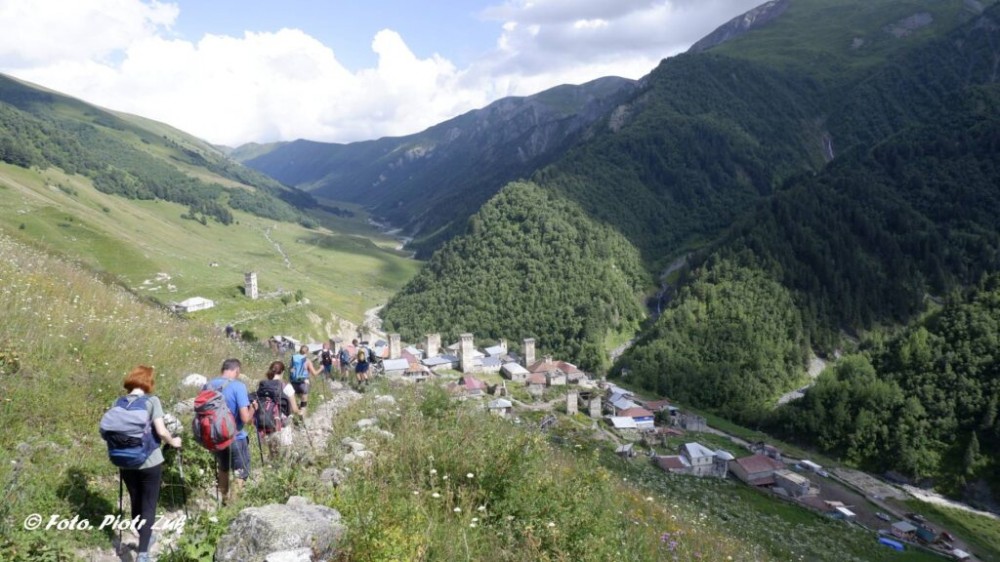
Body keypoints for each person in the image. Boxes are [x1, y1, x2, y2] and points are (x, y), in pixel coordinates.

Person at [117, 366, 182, 562]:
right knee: (149, 505)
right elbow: (161, 431)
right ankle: (143, 554)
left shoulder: (118, 402)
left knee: (136, 500)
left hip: (126, 460)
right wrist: (173, 442)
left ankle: (144, 535)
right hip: (150, 461)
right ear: (148, 383)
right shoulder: (152, 401)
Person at [206, 358, 256, 505]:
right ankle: (233, 505)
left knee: (223, 469)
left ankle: (224, 501)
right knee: (240, 471)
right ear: (237, 370)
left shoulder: (208, 385)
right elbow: (245, 418)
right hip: (236, 437)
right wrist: (253, 408)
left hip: (216, 437)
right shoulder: (238, 386)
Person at [256, 361, 300, 459]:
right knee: (285, 455)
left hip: (265, 425)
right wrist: (299, 413)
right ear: (283, 372)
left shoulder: (262, 386)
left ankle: (272, 470)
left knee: (272, 454)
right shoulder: (286, 387)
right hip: (282, 426)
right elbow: (295, 409)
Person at [289, 345, 321, 411]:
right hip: (303, 383)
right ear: (307, 352)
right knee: (303, 404)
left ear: (300, 350)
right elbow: (314, 373)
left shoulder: (294, 358)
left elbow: (291, 369)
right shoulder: (307, 361)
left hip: (293, 383)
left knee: (295, 402)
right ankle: (302, 415)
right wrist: (321, 368)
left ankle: (295, 414)